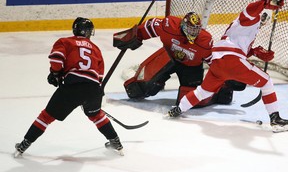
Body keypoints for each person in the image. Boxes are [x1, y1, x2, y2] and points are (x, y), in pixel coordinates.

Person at [167, 0, 288, 133]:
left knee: (203, 91)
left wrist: (255, 52)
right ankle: (276, 119)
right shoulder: (249, 19)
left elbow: (240, 49)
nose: (264, 21)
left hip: (217, 61)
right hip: (231, 59)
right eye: (264, 18)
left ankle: (177, 110)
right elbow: (249, 10)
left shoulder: (247, 30)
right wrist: (264, 2)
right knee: (266, 82)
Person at [14, 17, 123, 157]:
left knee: (46, 116)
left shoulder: (65, 42)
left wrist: (55, 73)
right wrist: (89, 94)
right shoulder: (96, 49)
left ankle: (24, 145)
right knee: (96, 115)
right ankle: (116, 142)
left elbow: (56, 59)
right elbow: (99, 75)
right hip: (93, 89)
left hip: (72, 87)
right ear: (88, 32)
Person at [113, 12, 246, 107]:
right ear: (182, 25)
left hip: (191, 68)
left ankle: (219, 93)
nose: (193, 33)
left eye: (196, 30)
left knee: (189, 100)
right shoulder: (169, 25)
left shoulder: (205, 41)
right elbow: (151, 26)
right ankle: (156, 82)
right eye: (190, 29)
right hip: (167, 58)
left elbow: (214, 62)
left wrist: (228, 76)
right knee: (137, 90)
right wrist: (134, 35)